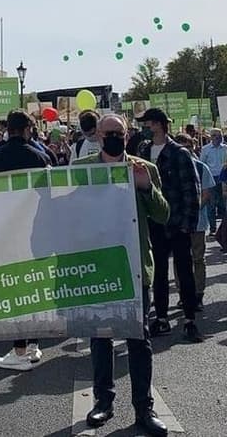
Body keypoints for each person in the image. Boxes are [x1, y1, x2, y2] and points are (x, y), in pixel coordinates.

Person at [73, 113, 170, 437]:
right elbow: (68, 212)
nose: (113, 137)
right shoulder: (81, 169)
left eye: (119, 132)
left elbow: (163, 214)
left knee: (139, 340)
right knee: (100, 337)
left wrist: (146, 187)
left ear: (127, 135)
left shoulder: (144, 168)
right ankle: (103, 401)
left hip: (134, 266)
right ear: (98, 136)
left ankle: (144, 408)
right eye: (108, 133)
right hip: (98, 267)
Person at [0, 110, 49, 371]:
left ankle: (20, 349)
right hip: (35, 228)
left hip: (6, 230)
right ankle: (32, 344)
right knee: (33, 284)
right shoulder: (40, 157)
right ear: (27, 130)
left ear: (8, 130)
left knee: (15, 288)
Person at [136, 108, 203, 342]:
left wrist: (187, 223)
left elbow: (191, 190)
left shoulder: (179, 153)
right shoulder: (143, 151)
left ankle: (190, 320)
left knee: (184, 272)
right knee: (159, 273)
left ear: (158, 124)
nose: (145, 128)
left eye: (147, 123)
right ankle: (162, 318)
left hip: (176, 222)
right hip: (154, 222)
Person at [175, 133, 212, 312]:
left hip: (197, 222)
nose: (185, 151)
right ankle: (183, 294)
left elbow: (206, 194)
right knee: (180, 260)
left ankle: (198, 294)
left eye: (188, 147)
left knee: (198, 258)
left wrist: (192, 210)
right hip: (178, 223)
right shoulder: (171, 167)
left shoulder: (201, 167)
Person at [199, 128, 227, 234]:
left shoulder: (225, 148)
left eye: (219, 136)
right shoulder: (205, 149)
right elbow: (202, 164)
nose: (217, 138)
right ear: (211, 137)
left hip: (224, 178)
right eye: (215, 135)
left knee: (223, 204)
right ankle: (213, 228)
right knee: (211, 204)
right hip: (211, 178)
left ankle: (223, 230)